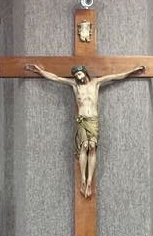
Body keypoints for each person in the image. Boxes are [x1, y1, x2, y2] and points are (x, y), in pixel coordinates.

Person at [25, 63, 145, 197]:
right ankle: (83, 178)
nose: (78, 76)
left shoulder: (96, 83)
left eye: (80, 73)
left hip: (93, 120)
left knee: (92, 147)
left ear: (85, 72)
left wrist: (132, 71)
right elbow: (56, 78)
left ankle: (89, 181)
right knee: (84, 146)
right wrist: (40, 71)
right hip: (82, 119)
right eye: (76, 75)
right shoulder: (75, 86)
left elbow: (116, 76)